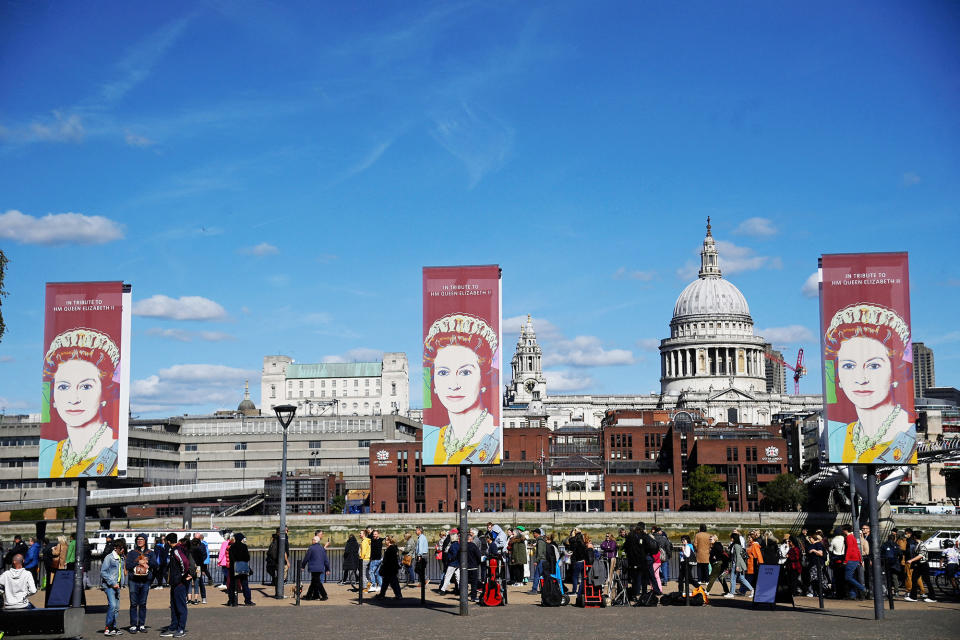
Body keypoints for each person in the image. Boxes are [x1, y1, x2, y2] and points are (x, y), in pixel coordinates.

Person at [824, 304, 918, 464]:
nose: (861, 378)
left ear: (896, 371)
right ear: (838, 376)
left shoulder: (907, 431)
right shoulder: (837, 436)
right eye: (849, 366)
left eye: (874, 365)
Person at [39, 328, 122, 477]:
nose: (74, 399)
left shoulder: (117, 449)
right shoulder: (49, 452)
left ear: (104, 392)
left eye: (86, 386)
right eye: (63, 387)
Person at [422, 314, 501, 464]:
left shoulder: (495, 435)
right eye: (443, 373)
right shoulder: (431, 439)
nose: (454, 384)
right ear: (434, 383)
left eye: (465, 372)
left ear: (483, 379)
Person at [126, 534, 155, 634]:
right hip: (134, 581)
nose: (139, 541)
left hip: (145, 581)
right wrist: (138, 561)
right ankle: (133, 625)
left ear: (145, 541)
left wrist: (147, 562)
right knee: (133, 604)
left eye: (141, 539)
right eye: (138, 539)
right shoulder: (132, 553)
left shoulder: (150, 553)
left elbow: (156, 565)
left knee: (143, 603)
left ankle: (141, 625)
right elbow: (128, 565)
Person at [101, 538, 127, 636]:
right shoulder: (109, 557)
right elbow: (103, 572)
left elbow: (120, 572)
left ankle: (113, 627)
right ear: (116, 548)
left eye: (123, 548)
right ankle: (108, 627)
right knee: (112, 606)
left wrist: (121, 583)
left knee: (116, 608)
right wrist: (112, 583)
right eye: (121, 548)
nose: (123, 550)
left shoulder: (122, 557)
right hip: (109, 586)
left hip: (118, 586)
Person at [904, 530, 935, 602]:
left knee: (927, 581)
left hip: (923, 565)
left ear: (914, 537)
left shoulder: (921, 545)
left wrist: (911, 560)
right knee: (914, 579)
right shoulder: (918, 544)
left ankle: (932, 597)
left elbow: (921, 555)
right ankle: (913, 597)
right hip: (918, 565)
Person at [227, 533, 253, 607]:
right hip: (243, 568)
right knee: (245, 585)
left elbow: (231, 558)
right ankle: (247, 601)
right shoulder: (244, 546)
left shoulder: (232, 547)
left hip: (233, 568)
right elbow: (247, 558)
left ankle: (232, 601)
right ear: (241, 539)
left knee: (232, 585)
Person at [841, 524, 866, 600]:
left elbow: (849, 549)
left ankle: (862, 589)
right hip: (855, 559)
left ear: (845, 530)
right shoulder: (853, 537)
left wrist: (846, 560)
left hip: (851, 559)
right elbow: (857, 549)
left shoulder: (848, 537)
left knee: (848, 577)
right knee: (851, 577)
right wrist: (860, 560)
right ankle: (852, 594)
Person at [301, 535, 330, 601]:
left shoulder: (311, 548)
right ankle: (313, 595)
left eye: (312, 539)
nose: (312, 541)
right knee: (314, 582)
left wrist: (303, 566)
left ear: (315, 541)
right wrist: (327, 569)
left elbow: (306, 558)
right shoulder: (322, 548)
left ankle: (324, 595)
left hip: (313, 568)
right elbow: (326, 560)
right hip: (320, 568)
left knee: (317, 582)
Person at [725, 532, 752, 598]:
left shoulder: (736, 545)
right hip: (738, 564)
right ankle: (752, 589)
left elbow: (738, 556)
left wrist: (737, 566)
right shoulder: (736, 545)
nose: (731, 539)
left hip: (736, 564)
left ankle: (731, 593)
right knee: (742, 578)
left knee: (732, 579)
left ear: (733, 538)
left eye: (731, 538)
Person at [376, 536, 403, 600]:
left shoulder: (391, 548)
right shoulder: (393, 548)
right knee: (388, 582)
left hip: (390, 568)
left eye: (386, 540)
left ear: (389, 541)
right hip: (391, 568)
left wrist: (384, 564)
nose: (385, 541)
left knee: (392, 582)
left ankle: (398, 595)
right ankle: (383, 594)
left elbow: (389, 559)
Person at [531, 529, 548, 593]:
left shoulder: (540, 541)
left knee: (536, 575)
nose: (533, 534)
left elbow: (540, 553)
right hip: (543, 560)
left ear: (537, 533)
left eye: (534, 533)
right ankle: (544, 589)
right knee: (543, 575)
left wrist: (536, 561)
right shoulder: (541, 540)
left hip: (541, 560)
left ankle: (534, 590)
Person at [368, 529, 383, 594]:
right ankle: (380, 586)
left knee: (371, 572)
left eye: (375, 534)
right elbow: (369, 535)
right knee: (377, 573)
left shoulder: (379, 540)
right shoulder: (373, 539)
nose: (374, 535)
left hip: (375, 559)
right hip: (378, 559)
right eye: (373, 534)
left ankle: (374, 585)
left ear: (378, 535)